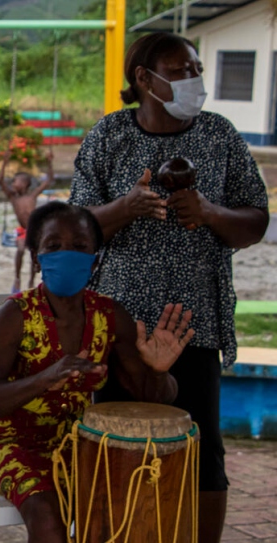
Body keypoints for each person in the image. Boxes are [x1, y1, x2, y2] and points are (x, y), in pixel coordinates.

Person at [68, 32, 269, 543]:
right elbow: (76, 227)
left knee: (202, 448)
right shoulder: (108, 136)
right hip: (118, 322)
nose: (194, 80)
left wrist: (209, 213)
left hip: (193, 320)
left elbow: (256, 221)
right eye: (182, 70)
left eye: (196, 68)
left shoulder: (220, 135)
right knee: (111, 437)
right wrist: (125, 207)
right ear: (145, 79)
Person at [0, 202, 195, 543]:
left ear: (95, 260)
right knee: (47, 515)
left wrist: (158, 371)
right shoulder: (16, 315)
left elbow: (153, 397)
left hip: (82, 447)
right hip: (12, 447)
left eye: (80, 247)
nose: (67, 255)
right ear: (37, 259)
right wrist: (43, 379)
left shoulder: (110, 316)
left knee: (130, 502)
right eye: (54, 246)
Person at [0, 149, 54, 294]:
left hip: (35, 230)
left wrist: (49, 163)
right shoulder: (12, 197)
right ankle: (17, 278)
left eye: (15, 182)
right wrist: (4, 162)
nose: (13, 184)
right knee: (21, 249)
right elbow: (0, 180)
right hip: (22, 231)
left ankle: (31, 280)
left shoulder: (32, 196)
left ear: (25, 184)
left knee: (35, 256)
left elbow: (48, 181)